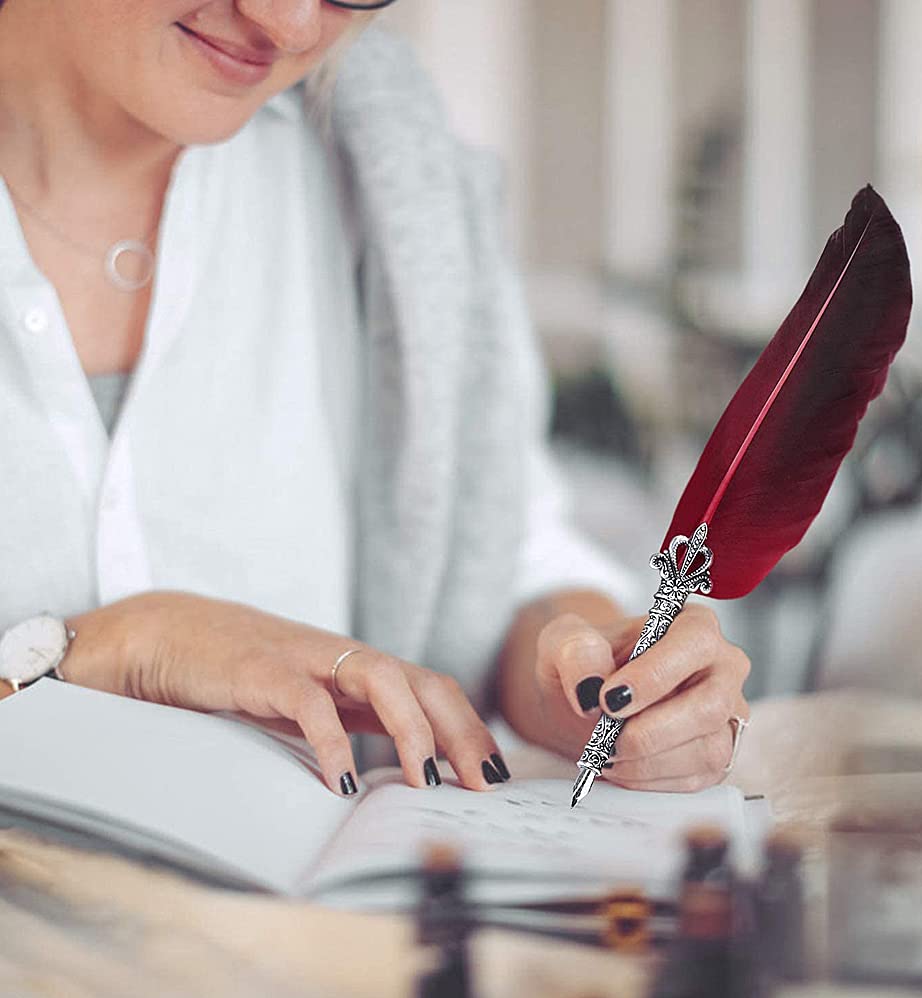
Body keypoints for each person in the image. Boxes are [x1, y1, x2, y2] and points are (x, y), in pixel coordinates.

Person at [0, 0, 750, 799]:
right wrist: (95, 652)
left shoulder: (392, 181)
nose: (289, 26)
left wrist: (590, 673)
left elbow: (497, 561)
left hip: (319, 922)